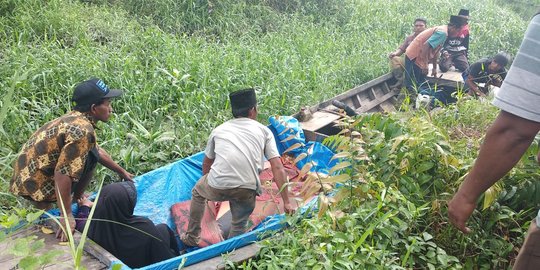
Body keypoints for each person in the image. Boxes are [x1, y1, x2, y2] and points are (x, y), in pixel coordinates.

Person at [448, 11, 540, 269]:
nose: (495, 69)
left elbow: (515, 130)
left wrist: (466, 195)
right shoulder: (478, 65)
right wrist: (476, 92)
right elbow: (468, 79)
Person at [9, 78, 134, 241]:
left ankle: (74, 199)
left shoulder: (77, 119)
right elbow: (62, 173)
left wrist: (121, 171)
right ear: (94, 108)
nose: (111, 109)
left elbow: (96, 150)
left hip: (28, 173)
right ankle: (48, 210)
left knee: (91, 156)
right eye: (108, 103)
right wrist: (66, 214)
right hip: (33, 182)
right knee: (49, 220)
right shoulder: (82, 130)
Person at [180, 88, 295, 248]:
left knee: (198, 192)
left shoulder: (218, 130)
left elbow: (207, 163)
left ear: (234, 111)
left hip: (217, 184)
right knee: (238, 225)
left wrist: (210, 184)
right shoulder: (264, 131)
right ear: (253, 110)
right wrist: (287, 202)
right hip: (247, 189)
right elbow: (277, 167)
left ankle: (192, 237)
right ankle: (229, 251)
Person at [87, 182, 180, 268]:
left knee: (162, 229)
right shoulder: (144, 227)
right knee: (163, 229)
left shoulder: (90, 227)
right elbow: (164, 259)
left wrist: (84, 207)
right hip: (145, 263)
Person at [404, 15, 467, 95]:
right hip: (414, 56)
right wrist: (424, 65)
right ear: (454, 27)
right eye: (458, 31)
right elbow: (425, 46)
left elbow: (436, 51)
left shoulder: (445, 32)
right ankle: (409, 99)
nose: (457, 33)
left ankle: (417, 98)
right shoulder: (442, 33)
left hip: (419, 56)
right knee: (412, 83)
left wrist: (434, 68)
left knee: (420, 81)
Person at [388, 17, 427, 87]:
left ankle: (409, 84)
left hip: (421, 64)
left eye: (421, 26)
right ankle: (401, 81)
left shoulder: (429, 38)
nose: (418, 27)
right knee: (395, 59)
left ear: (425, 27)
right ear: (414, 27)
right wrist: (395, 53)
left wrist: (426, 65)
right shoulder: (410, 37)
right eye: (416, 26)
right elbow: (402, 49)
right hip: (409, 62)